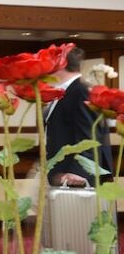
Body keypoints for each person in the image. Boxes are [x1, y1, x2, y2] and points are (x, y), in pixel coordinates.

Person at [46, 47, 113, 187]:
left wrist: (76, 176)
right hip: (61, 174)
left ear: (61, 63)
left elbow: (89, 137)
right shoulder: (68, 90)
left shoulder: (81, 90)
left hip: (74, 177)